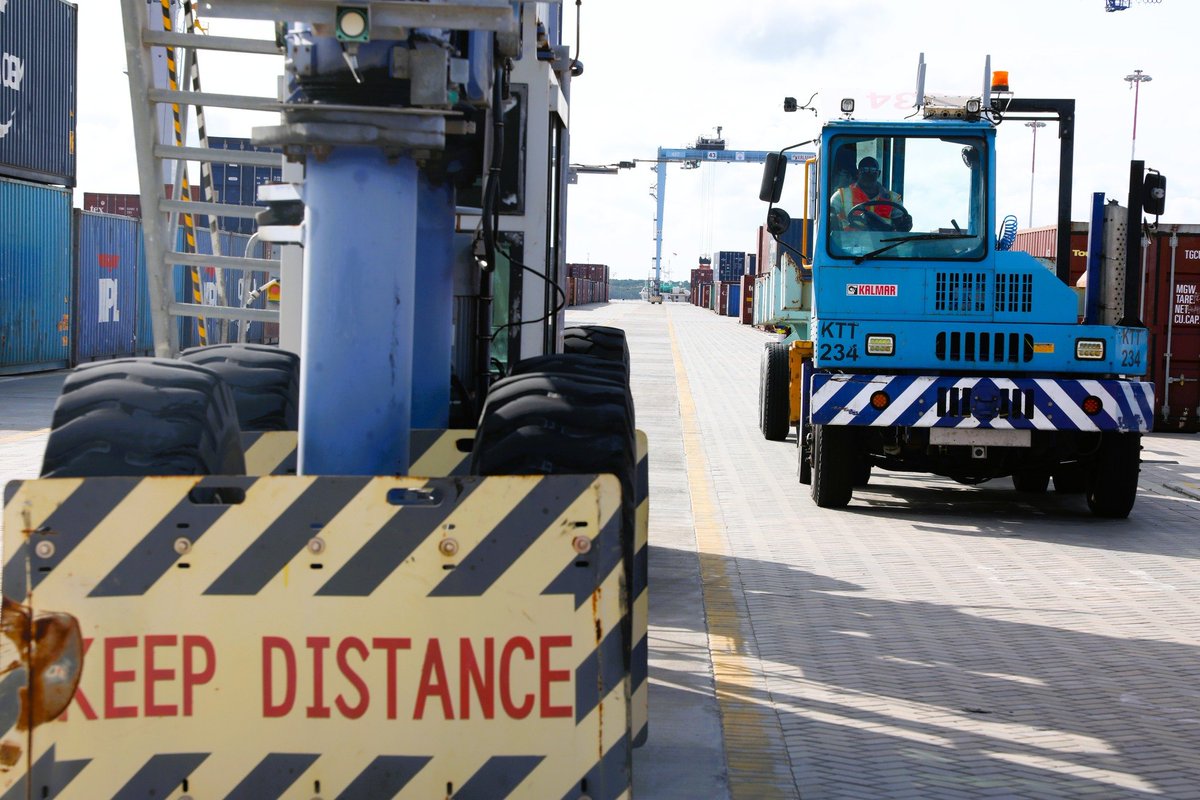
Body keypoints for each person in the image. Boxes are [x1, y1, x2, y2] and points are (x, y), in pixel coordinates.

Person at [829, 156, 913, 232]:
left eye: (873, 171)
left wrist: (906, 224)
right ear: (858, 173)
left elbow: (901, 225)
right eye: (864, 170)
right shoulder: (841, 196)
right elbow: (829, 215)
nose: (868, 174)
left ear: (879, 173)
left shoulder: (893, 198)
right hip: (848, 246)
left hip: (883, 246)